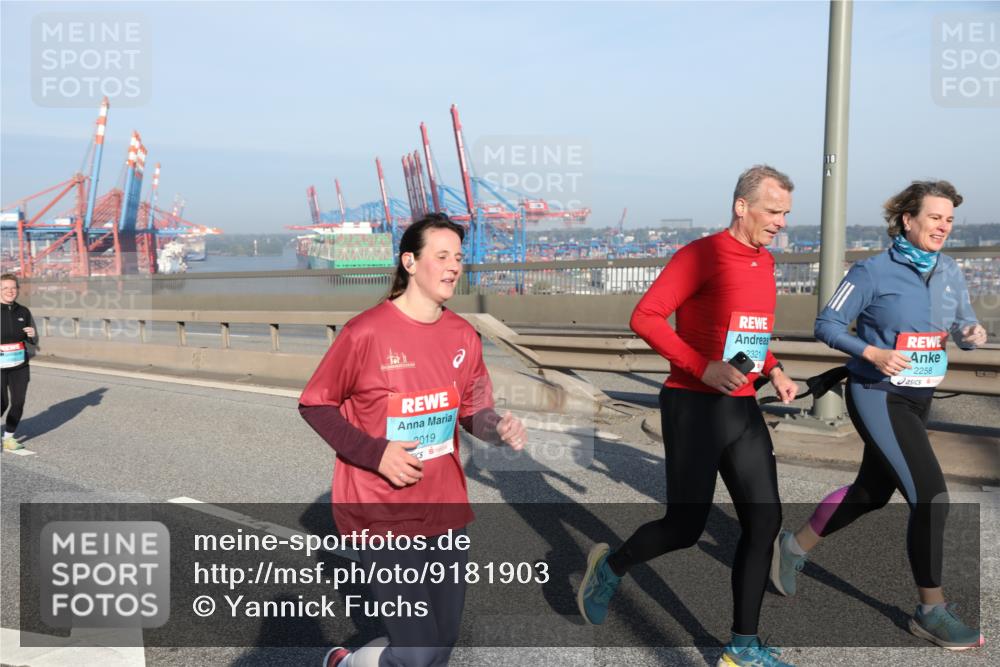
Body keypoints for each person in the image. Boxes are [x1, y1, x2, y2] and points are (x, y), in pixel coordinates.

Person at [577, 166, 800, 667]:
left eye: (786, 213)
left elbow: (749, 335)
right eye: (773, 211)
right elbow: (645, 316)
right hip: (692, 405)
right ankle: (611, 567)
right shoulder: (701, 254)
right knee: (684, 527)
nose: (781, 222)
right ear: (742, 206)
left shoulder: (764, 263)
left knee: (765, 519)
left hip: (740, 404)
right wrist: (702, 367)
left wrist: (776, 368)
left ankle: (742, 649)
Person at [299, 213, 527, 667]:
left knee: (439, 646)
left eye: (458, 257)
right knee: (420, 653)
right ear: (409, 261)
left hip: (443, 506)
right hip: (380, 511)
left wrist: (497, 428)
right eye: (441, 256)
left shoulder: (463, 334)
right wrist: (376, 452)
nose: (453, 266)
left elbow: (472, 412)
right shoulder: (365, 332)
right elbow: (315, 404)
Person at [770, 180, 987, 650]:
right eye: (934, 217)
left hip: (919, 397)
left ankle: (791, 547)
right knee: (931, 497)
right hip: (877, 393)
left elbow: (961, 323)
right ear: (908, 220)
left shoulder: (949, 270)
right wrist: (871, 352)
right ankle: (931, 611)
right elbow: (826, 325)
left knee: (870, 492)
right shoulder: (872, 272)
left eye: (949, 220)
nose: (943, 227)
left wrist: (971, 332)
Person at [2, 273, 38, 451]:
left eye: (13, 288)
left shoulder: (23, 311)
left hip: (19, 365)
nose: (10, 291)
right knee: (2, 403)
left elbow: (33, 339)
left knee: (18, 402)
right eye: (5, 288)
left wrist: (32, 336)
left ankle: (8, 438)